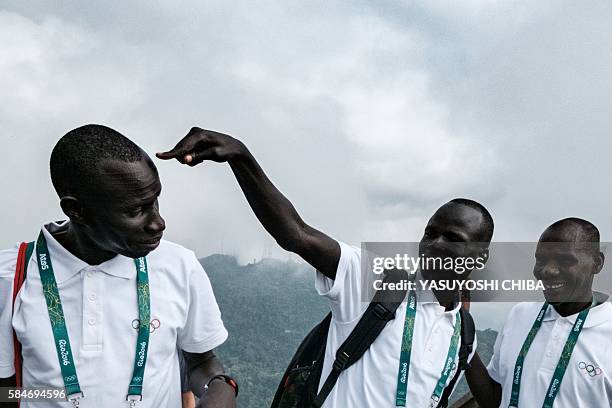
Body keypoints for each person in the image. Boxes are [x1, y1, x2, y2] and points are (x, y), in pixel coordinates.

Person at [157, 127, 495, 407]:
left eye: (453, 238)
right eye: (429, 232)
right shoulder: (377, 280)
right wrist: (240, 157)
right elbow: (296, 234)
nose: (434, 244)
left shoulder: (463, 334)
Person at [0, 125, 237, 408]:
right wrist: (58, 396)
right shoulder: (11, 276)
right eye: (136, 210)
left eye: (155, 202)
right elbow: (6, 391)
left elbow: (201, 361)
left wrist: (221, 387)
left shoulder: (179, 266)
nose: (158, 223)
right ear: (76, 210)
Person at [465, 218, 612, 407]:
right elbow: (495, 399)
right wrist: (462, 322)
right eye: (541, 260)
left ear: (597, 263)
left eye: (564, 260)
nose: (548, 270)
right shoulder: (520, 315)